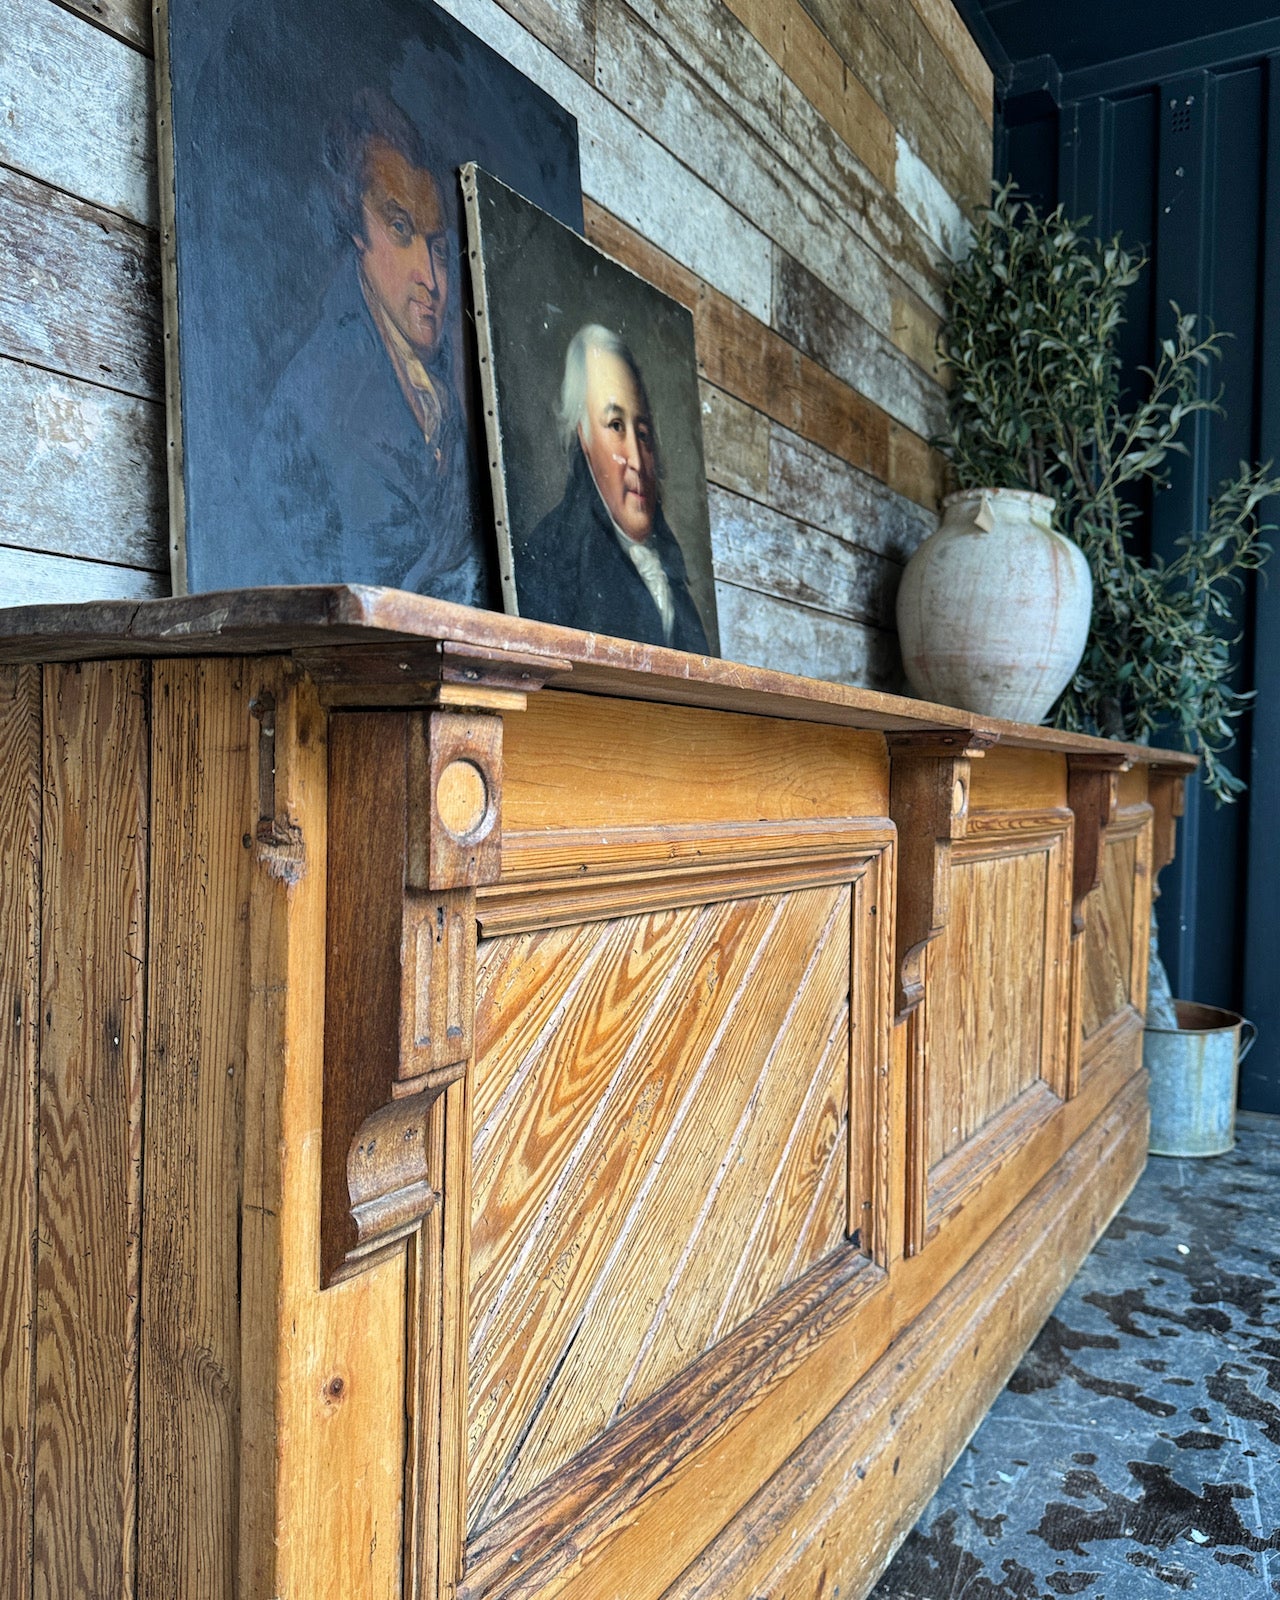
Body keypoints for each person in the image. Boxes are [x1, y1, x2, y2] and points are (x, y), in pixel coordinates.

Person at [249, 89, 486, 604]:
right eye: (400, 228)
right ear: (357, 229)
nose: (431, 279)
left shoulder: (447, 399)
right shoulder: (315, 395)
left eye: (439, 250)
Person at [517, 324, 709, 651]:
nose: (637, 458)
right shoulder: (552, 561)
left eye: (644, 433)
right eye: (615, 426)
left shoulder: (667, 566)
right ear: (585, 438)